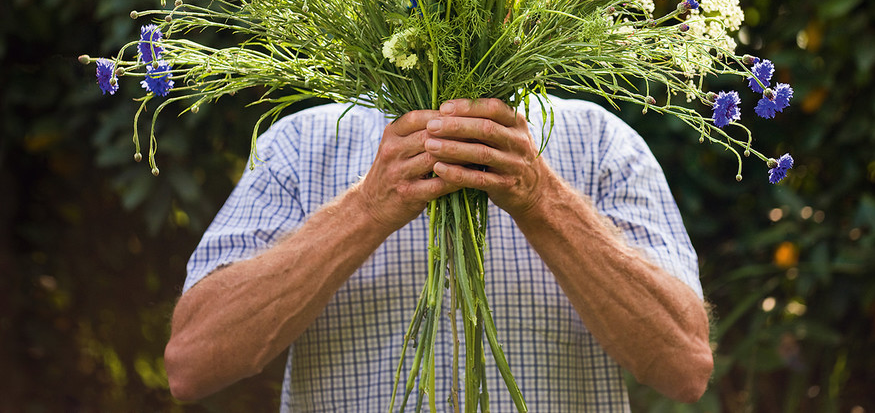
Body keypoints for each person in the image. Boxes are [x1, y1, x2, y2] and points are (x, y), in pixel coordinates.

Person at [164, 95, 714, 410]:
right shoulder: (301, 144)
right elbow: (191, 364)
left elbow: (684, 366)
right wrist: (367, 208)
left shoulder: (601, 143)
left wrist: (543, 200)